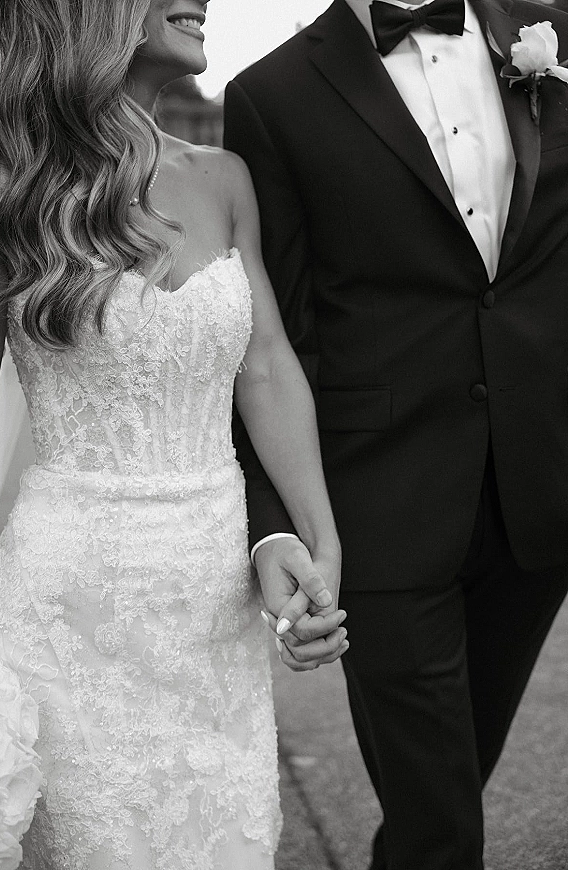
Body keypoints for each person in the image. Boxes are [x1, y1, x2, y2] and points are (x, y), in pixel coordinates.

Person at [0, 1, 349, 868]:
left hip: (212, 602)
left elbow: (264, 363)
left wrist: (319, 538)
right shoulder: (8, 183)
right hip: (68, 604)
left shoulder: (224, 175)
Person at [223, 0, 568, 867]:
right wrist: (273, 520)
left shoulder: (544, 35)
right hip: (376, 505)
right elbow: (269, 334)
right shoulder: (271, 95)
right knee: (439, 822)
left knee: (449, 786)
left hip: (539, 493)